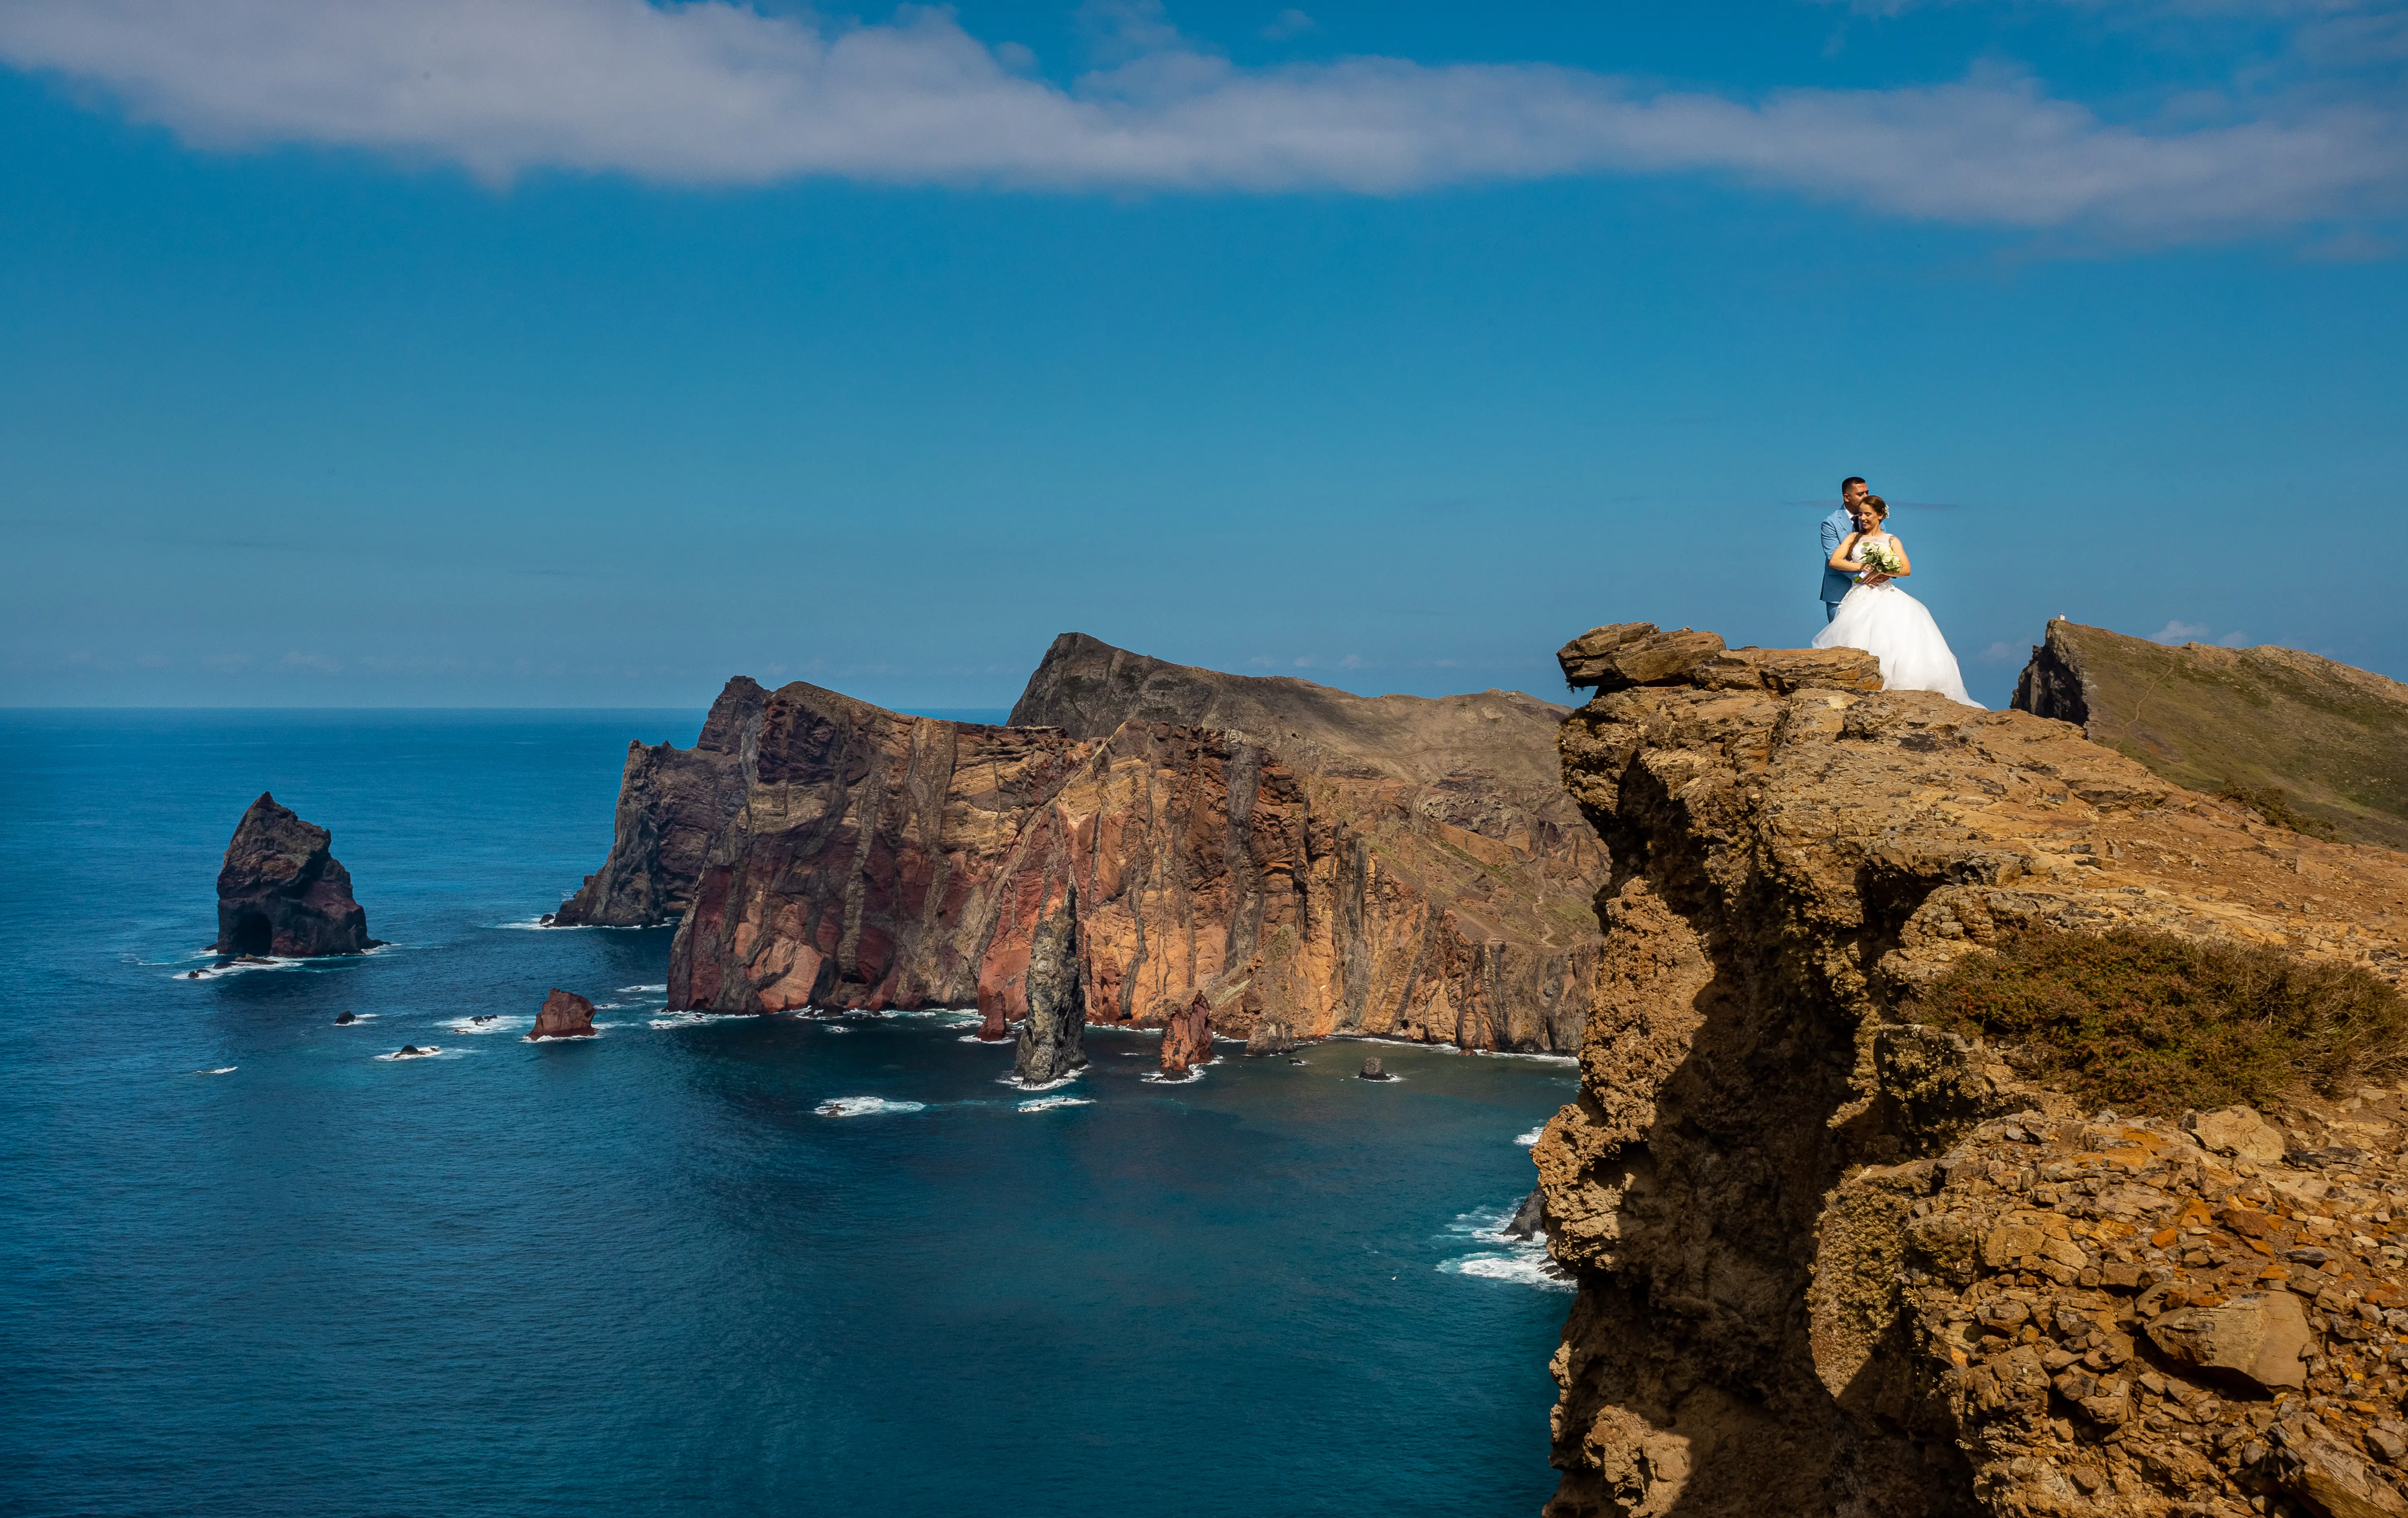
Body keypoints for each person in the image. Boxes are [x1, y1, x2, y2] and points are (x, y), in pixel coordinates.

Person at [1812, 494, 1981, 707]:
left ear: (1881, 516)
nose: (1863, 518)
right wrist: (1861, 568)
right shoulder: (1852, 539)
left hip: (1887, 594)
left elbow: (1906, 569)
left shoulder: (1891, 540)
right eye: (1861, 514)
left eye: (1868, 514)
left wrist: (1886, 571)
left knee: (1894, 638)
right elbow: (1836, 561)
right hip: (1860, 595)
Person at [1820, 477, 1869, 622]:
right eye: (1861, 494)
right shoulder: (1831, 523)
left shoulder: (1874, 519)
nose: (1866, 497)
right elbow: (1834, 558)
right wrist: (1863, 578)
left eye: (1867, 492)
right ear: (1847, 498)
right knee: (1838, 639)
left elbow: (1882, 546)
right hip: (1839, 590)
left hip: (1871, 590)